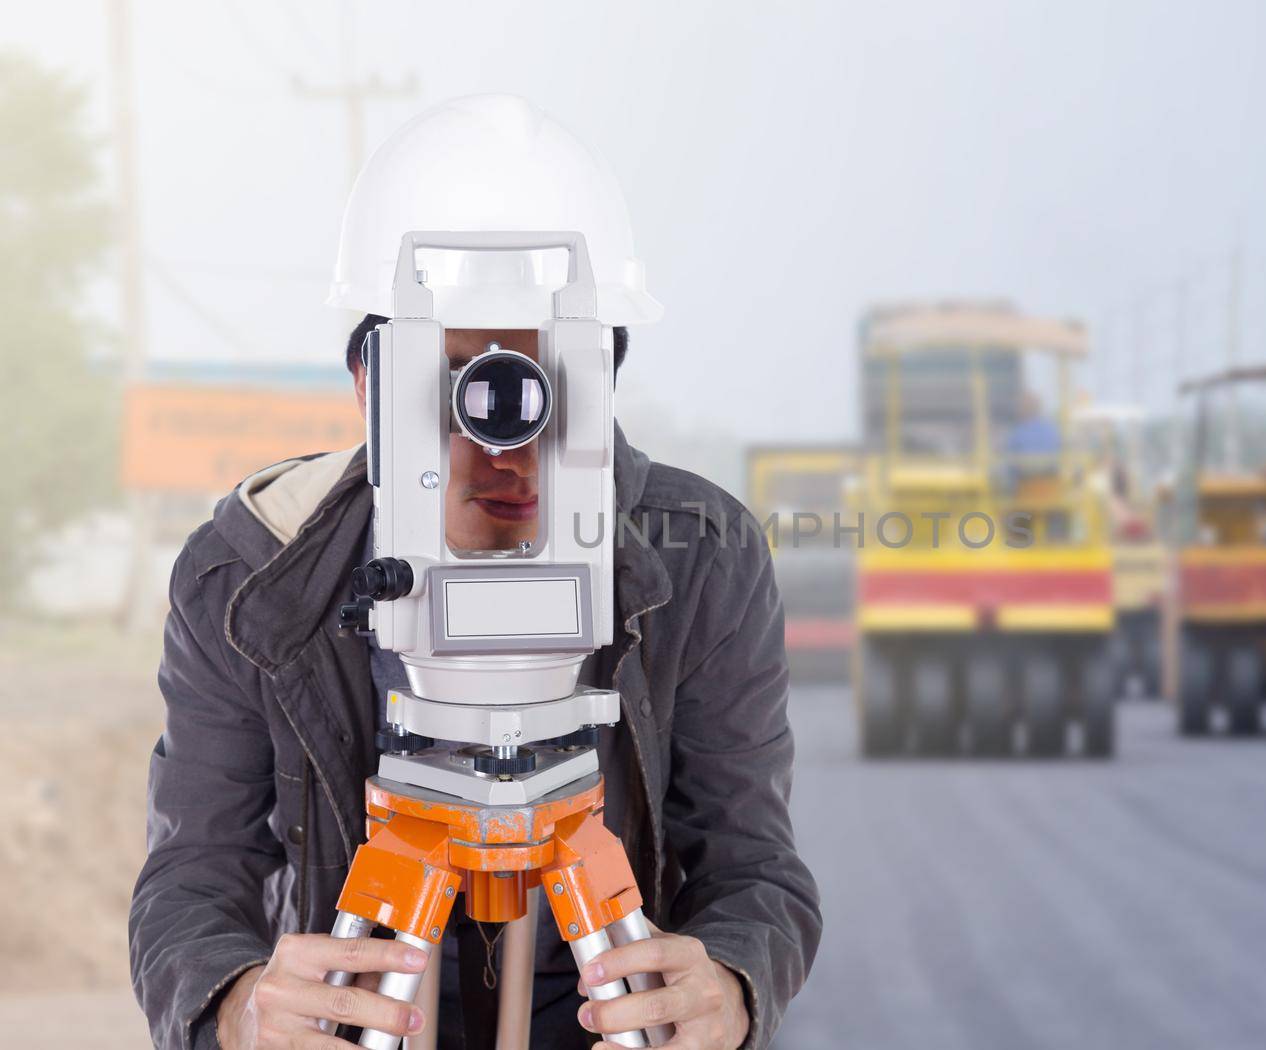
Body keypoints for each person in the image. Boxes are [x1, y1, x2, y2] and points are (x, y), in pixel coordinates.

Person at [129, 96, 821, 1050]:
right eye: (465, 386)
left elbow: (756, 869)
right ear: (373, 387)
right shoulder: (250, 576)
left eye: (545, 386)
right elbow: (188, 883)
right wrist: (244, 1009)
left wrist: (733, 989)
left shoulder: (702, 553)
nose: (509, 439)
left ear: (604, 375)